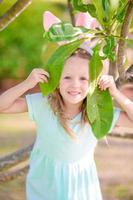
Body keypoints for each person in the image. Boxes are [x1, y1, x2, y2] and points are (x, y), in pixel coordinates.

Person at [0, 48, 133, 200]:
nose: (75, 84)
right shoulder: (43, 104)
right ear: (56, 82)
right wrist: (27, 84)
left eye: (83, 78)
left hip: (81, 186)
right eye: (67, 77)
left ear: (94, 82)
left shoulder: (97, 113)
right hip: (46, 184)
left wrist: (116, 94)